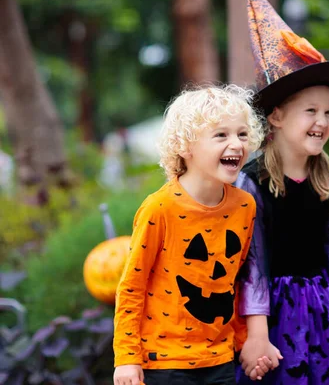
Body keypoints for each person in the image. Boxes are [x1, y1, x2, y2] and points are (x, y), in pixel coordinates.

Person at [235, 0, 329, 384]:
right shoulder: (253, 185)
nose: (322, 122)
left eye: (328, 112)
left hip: (323, 315)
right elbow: (253, 266)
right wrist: (258, 335)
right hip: (271, 319)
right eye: (310, 110)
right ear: (276, 117)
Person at [112, 84, 272, 385]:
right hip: (164, 361)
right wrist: (127, 359)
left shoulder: (245, 206)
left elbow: (231, 280)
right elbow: (132, 287)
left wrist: (244, 342)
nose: (236, 144)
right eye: (221, 135)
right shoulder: (160, 208)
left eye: (241, 134)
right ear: (185, 146)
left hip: (220, 359)